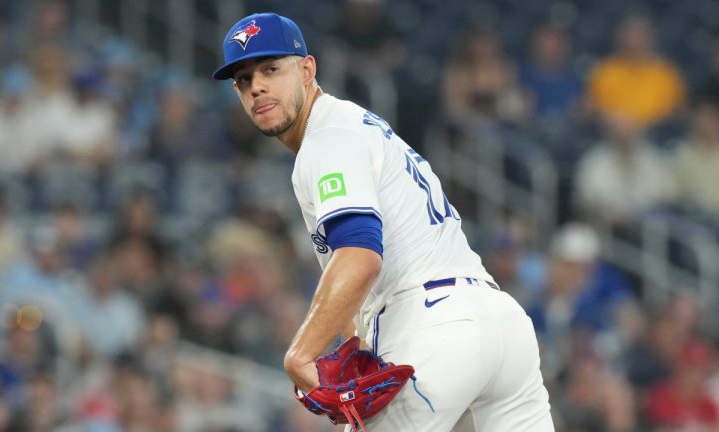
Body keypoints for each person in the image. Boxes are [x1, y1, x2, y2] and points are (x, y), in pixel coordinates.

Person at [213, 13, 553, 431]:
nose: (257, 86)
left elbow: (359, 256)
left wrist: (300, 352)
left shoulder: (328, 138)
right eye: (243, 80)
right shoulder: (358, 125)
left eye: (270, 69)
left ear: (307, 69)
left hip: (433, 324)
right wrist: (354, 344)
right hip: (501, 323)